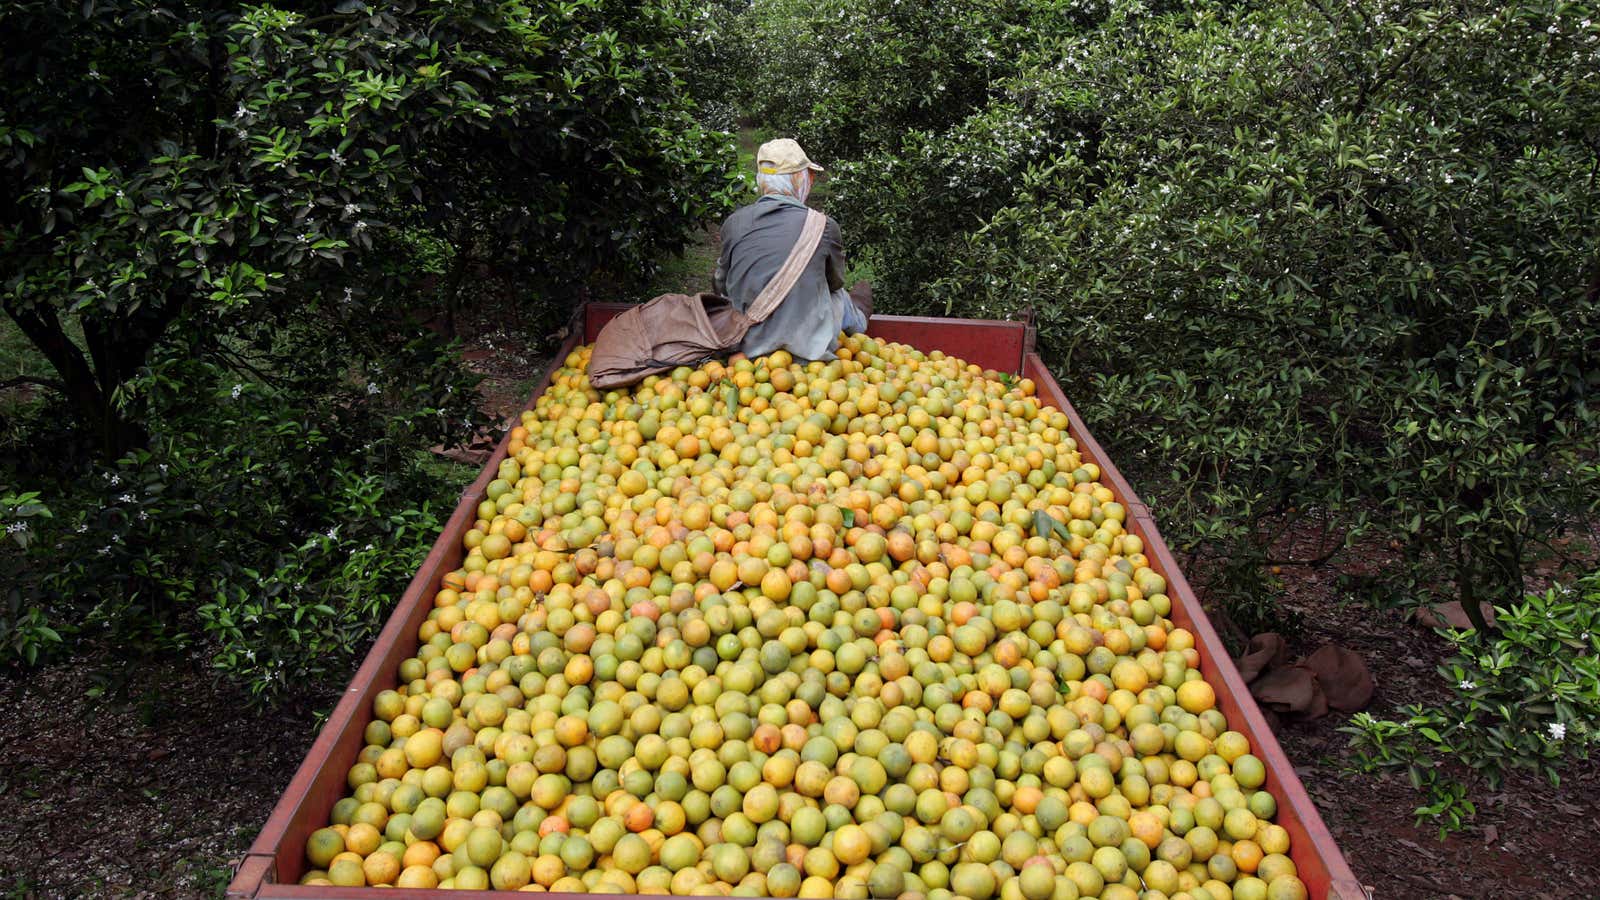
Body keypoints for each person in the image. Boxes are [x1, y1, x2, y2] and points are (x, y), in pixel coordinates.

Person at [713, 138, 871, 361]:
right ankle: (860, 320)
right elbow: (835, 282)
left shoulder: (734, 224)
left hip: (748, 348)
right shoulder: (824, 226)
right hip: (808, 351)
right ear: (799, 179)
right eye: (810, 176)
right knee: (836, 293)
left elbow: (720, 285)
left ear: (761, 181)